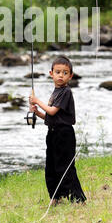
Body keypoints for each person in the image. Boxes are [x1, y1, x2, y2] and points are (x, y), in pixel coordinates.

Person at [29, 55, 86, 205]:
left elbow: (53, 111)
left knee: (65, 167)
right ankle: (56, 197)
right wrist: (37, 112)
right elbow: (50, 117)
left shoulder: (66, 92)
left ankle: (78, 199)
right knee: (51, 168)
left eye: (65, 73)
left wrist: (37, 101)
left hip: (64, 135)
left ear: (71, 76)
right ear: (51, 74)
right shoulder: (56, 92)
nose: (61, 75)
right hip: (52, 133)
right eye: (58, 72)